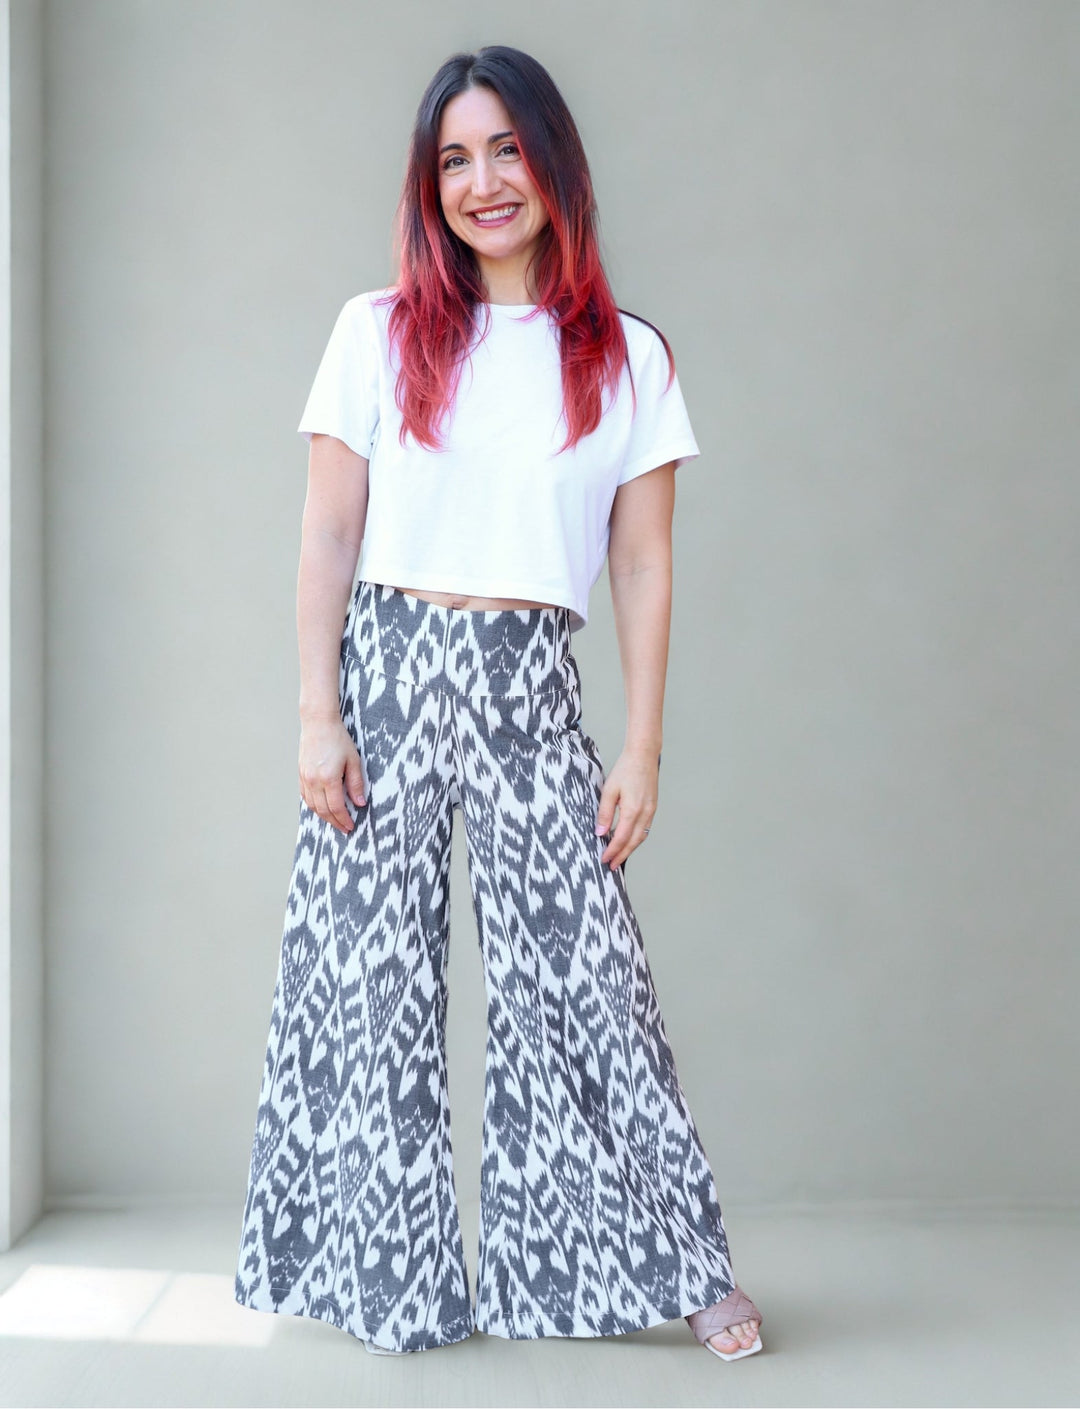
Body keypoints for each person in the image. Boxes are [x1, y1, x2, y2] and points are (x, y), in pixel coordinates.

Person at [233, 44, 764, 1363]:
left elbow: (642, 562)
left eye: (507, 150)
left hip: (533, 684)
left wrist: (642, 744)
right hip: (389, 673)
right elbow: (327, 533)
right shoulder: (376, 332)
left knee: (586, 981)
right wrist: (316, 712)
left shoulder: (628, 357)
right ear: (432, 186)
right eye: (455, 160)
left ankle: (677, 1266)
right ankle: (385, 1284)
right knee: (366, 986)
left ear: (553, 162)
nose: (483, 183)